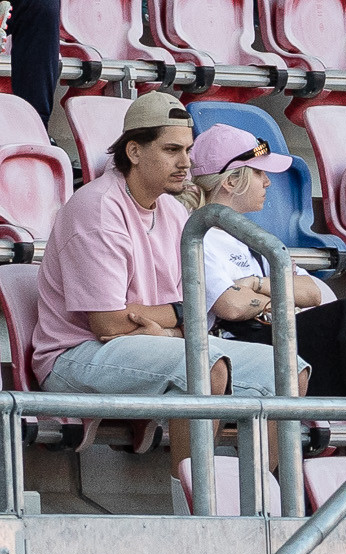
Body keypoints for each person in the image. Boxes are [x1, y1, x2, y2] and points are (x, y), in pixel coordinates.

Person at [26, 93, 274, 402]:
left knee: (283, 369)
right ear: (134, 151)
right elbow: (109, 324)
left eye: (188, 150)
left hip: (152, 342)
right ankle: (191, 439)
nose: (185, 163)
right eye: (172, 150)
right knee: (203, 368)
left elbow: (199, 314)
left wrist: (167, 329)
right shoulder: (98, 207)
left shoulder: (173, 211)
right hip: (76, 354)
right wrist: (178, 314)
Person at [183, 123, 346, 400]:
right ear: (231, 181)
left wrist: (255, 284)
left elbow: (311, 292)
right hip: (241, 347)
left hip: (275, 335)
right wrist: (281, 296)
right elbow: (230, 306)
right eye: (258, 172)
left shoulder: (249, 236)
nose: (267, 182)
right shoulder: (197, 235)